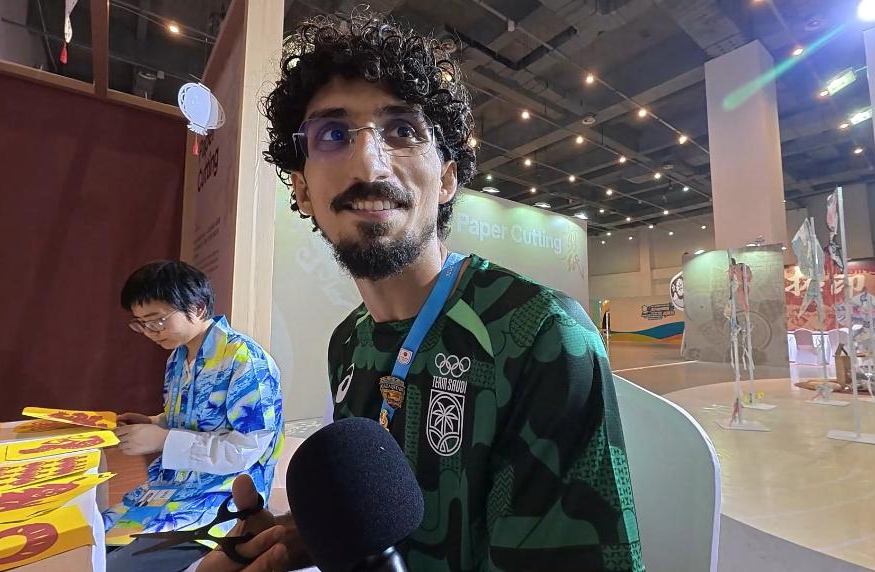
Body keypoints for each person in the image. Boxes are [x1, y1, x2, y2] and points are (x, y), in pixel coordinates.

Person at [195, 9, 643, 572]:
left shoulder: (541, 336)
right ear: (303, 189)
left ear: (448, 178)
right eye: (333, 134)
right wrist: (311, 539)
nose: (369, 163)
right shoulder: (348, 343)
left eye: (403, 131)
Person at [105, 260, 285, 572]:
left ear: (198, 308)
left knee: (111, 567)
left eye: (157, 321)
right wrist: (153, 423)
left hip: (218, 502)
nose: (149, 333)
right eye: (141, 324)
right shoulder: (178, 357)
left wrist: (163, 439)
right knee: (89, 545)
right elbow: (189, 421)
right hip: (169, 490)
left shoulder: (245, 361)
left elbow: (244, 451)